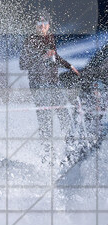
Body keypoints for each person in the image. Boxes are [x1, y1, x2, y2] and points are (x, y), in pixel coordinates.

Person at [19, 15, 80, 162]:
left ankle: (72, 149)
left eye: (45, 23)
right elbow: (23, 65)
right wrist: (41, 57)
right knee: (45, 120)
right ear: (35, 25)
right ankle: (47, 155)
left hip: (54, 83)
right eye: (39, 23)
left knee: (64, 115)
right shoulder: (30, 40)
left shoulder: (50, 37)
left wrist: (69, 65)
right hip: (39, 85)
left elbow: (54, 56)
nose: (42, 26)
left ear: (49, 25)